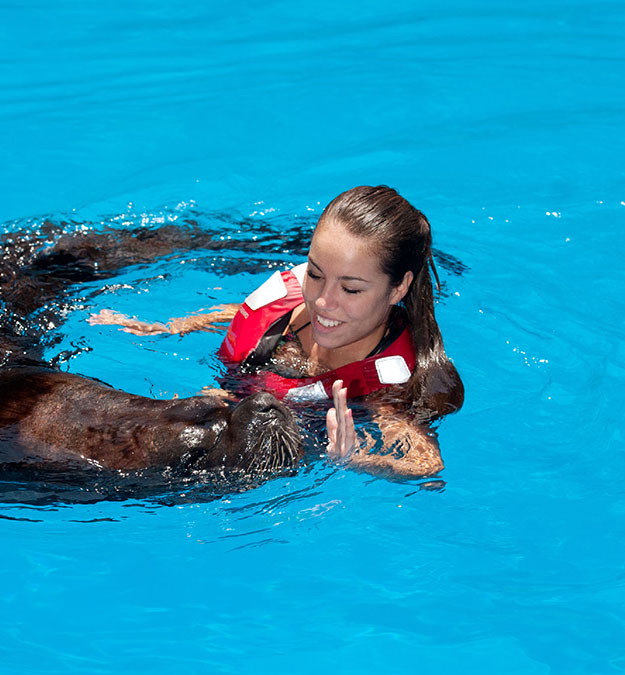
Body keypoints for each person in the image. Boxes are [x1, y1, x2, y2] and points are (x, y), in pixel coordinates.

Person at [89, 186, 464, 478]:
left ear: (398, 288)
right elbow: (256, 311)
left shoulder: (388, 385)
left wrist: (357, 458)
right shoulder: (298, 302)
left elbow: (427, 465)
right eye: (315, 274)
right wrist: (171, 327)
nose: (322, 302)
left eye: (350, 289)